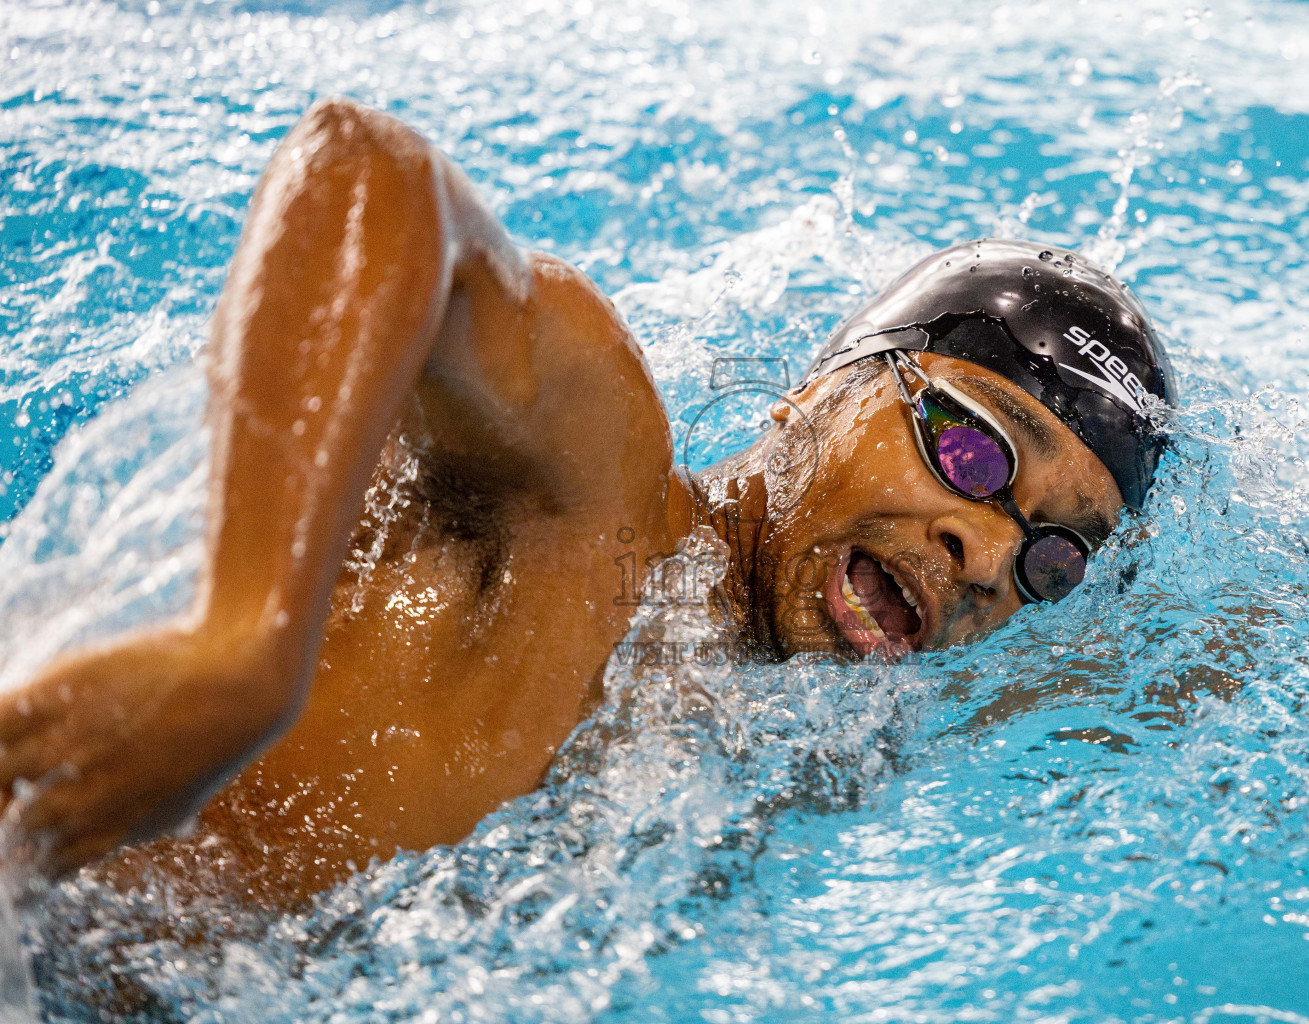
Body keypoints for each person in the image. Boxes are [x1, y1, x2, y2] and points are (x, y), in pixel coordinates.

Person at [0, 98, 1174, 906]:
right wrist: (243, 645)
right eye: (971, 448)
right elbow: (363, 170)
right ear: (819, 395)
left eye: (1053, 558)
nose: (983, 551)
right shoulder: (591, 498)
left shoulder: (813, 732)